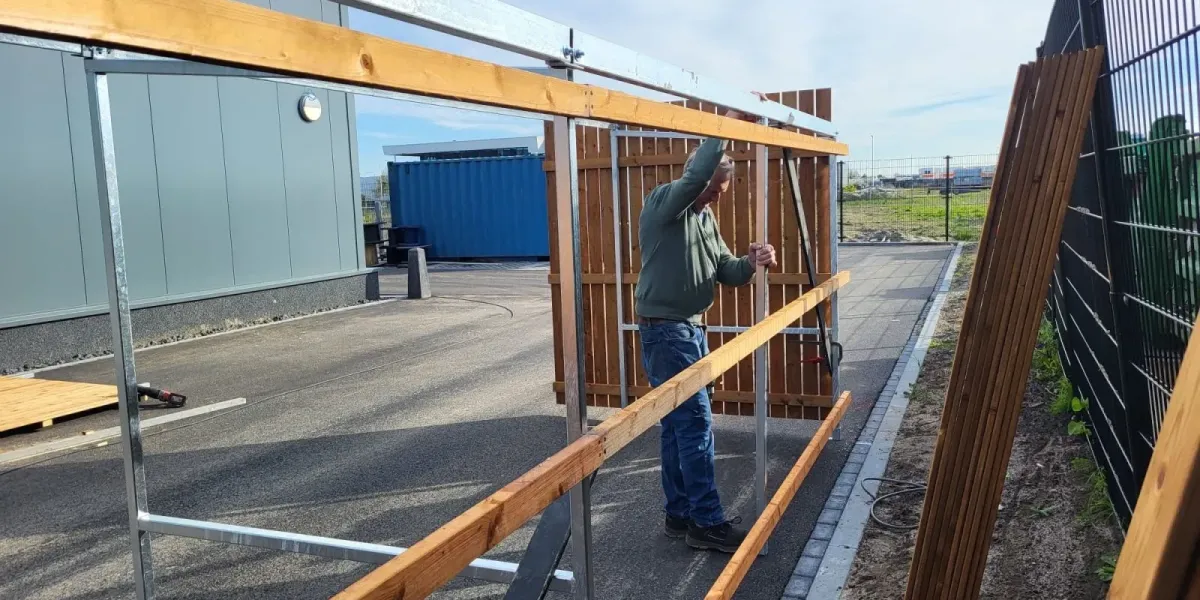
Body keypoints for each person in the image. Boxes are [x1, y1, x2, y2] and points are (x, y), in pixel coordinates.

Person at [634, 108, 777, 553]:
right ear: (695, 179)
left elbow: (725, 270)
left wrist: (753, 263)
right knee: (695, 425)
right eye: (712, 187)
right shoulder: (664, 203)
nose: (715, 196)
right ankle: (706, 522)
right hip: (666, 331)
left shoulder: (705, 220)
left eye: (722, 190)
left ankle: (680, 516)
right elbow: (696, 177)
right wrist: (728, 124)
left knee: (679, 428)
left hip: (689, 329)